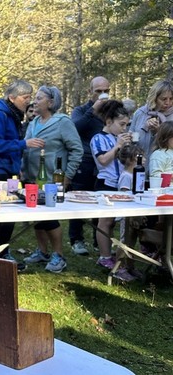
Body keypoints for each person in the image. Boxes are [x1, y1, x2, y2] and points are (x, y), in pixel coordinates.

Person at [0, 80, 45, 269]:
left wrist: (16, 165)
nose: (29, 102)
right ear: (12, 97)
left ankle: (1, 252)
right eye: (25, 98)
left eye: (30, 97)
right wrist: (23, 144)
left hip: (9, 171)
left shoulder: (12, 115)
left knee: (9, 216)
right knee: (0, 216)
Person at [21, 86, 83, 273]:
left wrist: (67, 175)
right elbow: (26, 147)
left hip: (52, 178)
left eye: (39, 98)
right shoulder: (33, 123)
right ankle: (42, 251)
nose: (35, 101)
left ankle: (59, 255)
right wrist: (22, 170)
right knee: (37, 217)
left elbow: (77, 149)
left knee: (49, 218)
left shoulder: (62, 122)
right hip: (31, 177)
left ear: (51, 102)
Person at [68, 76, 112, 255]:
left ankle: (98, 240)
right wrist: (93, 110)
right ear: (90, 92)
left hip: (106, 163)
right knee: (79, 200)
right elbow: (75, 128)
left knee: (102, 201)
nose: (103, 95)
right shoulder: (81, 110)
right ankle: (76, 239)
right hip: (85, 161)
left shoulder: (111, 110)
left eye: (106, 91)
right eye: (98, 91)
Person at [91, 101, 132, 270]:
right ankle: (104, 256)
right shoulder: (98, 138)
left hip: (120, 183)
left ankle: (110, 254)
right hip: (105, 183)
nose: (124, 128)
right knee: (105, 221)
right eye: (121, 124)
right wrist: (118, 146)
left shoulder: (119, 138)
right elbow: (103, 160)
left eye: (126, 125)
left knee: (113, 222)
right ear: (109, 122)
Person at [114, 144, 148, 282]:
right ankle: (118, 268)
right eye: (140, 156)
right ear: (131, 159)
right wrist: (131, 214)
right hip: (127, 214)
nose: (144, 159)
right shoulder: (126, 176)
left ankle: (130, 266)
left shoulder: (137, 173)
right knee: (124, 241)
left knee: (131, 242)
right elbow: (124, 196)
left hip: (135, 211)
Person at [128, 80, 173, 170]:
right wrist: (129, 138)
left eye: (171, 99)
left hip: (164, 169)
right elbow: (132, 137)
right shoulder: (140, 113)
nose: (168, 103)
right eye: (163, 99)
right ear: (154, 98)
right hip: (138, 167)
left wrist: (159, 132)